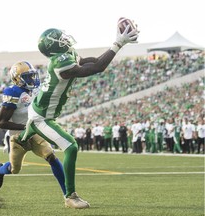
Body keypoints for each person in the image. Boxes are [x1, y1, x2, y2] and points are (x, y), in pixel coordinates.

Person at [13, 23, 139, 208]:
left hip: (40, 108)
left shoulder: (68, 54)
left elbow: (94, 61)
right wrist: (118, 43)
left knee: (61, 141)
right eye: (59, 39)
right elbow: (97, 68)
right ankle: (70, 196)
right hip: (42, 116)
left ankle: (24, 137)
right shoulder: (60, 64)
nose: (64, 39)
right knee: (71, 146)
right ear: (52, 46)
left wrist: (117, 44)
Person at [0, 61, 66, 198]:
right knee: (15, 169)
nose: (32, 79)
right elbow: (2, 123)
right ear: (17, 79)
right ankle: (1, 170)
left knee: (51, 156)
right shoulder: (13, 93)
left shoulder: (36, 90)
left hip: (35, 132)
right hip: (17, 136)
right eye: (27, 77)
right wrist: (26, 127)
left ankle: (67, 194)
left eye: (32, 76)